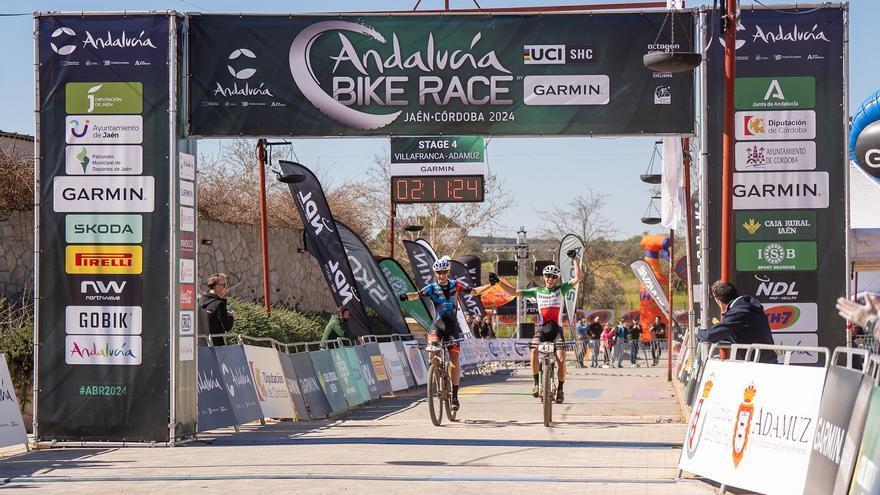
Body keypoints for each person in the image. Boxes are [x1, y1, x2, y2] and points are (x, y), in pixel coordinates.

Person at [492, 250, 581, 403]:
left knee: (561, 360)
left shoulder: (562, 289)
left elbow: (578, 278)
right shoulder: (537, 291)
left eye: (554, 277)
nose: (550, 279)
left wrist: (575, 259)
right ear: (544, 277)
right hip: (543, 329)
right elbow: (515, 292)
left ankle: (560, 389)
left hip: (557, 331)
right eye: (548, 276)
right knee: (533, 350)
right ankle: (535, 384)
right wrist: (499, 282)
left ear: (557, 278)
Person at [400, 256, 472, 411]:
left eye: (444, 272)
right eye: (439, 272)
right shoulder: (432, 288)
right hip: (437, 326)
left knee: (454, 362)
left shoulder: (455, 285)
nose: (442, 275)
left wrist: (492, 286)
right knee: (431, 351)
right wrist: (406, 296)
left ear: (448, 271)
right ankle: (437, 376)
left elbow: (473, 291)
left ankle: (455, 396)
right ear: (435, 273)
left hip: (452, 329)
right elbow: (417, 294)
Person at [697, 280, 776, 364]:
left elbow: (710, 335)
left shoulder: (739, 312)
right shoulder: (746, 306)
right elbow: (739, 334)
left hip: (758, 364)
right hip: (763, 361)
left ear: (718, 301)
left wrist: (698, 334)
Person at [200, 273, 235, 346]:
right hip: (216, 346)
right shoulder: (219, 304)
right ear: (216, 286)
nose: (225, 288)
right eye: (224, 285)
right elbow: (227, 327)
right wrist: (231, 316)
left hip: (200, 345)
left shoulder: (199, 302)